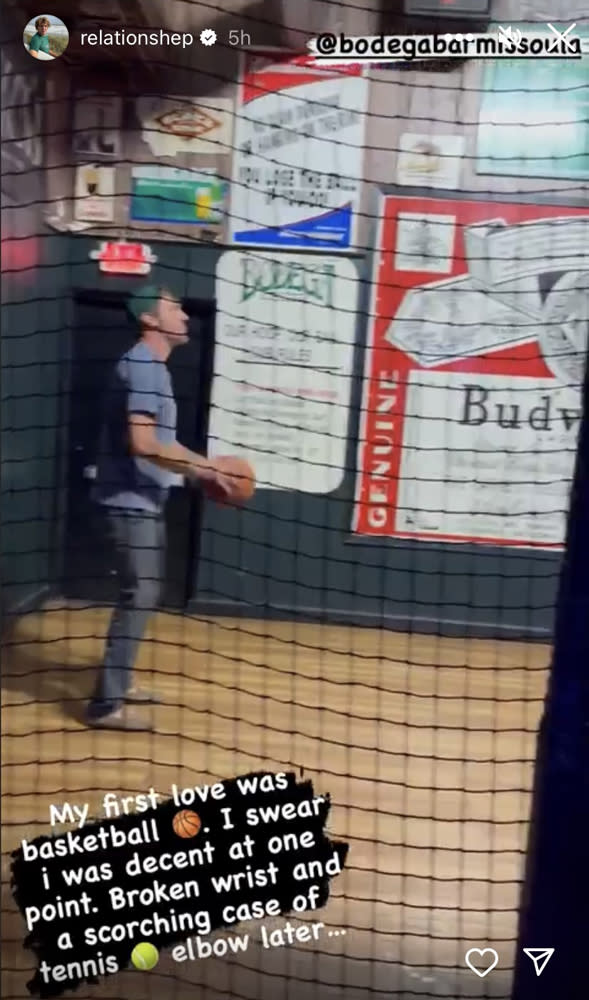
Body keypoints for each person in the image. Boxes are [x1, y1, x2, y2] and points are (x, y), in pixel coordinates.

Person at [87, 286, 238, 731]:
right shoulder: (145, 367)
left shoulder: (150, 367)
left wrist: (202, 468)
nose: (186, 317)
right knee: (141, 595)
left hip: (142, 500)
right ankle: (104, 706)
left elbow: (163, 445)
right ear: (151, 320)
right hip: (129, 502)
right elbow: (144, 444)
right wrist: (205, 469)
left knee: (142, 594)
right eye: (175, 309)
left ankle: (120, 683)